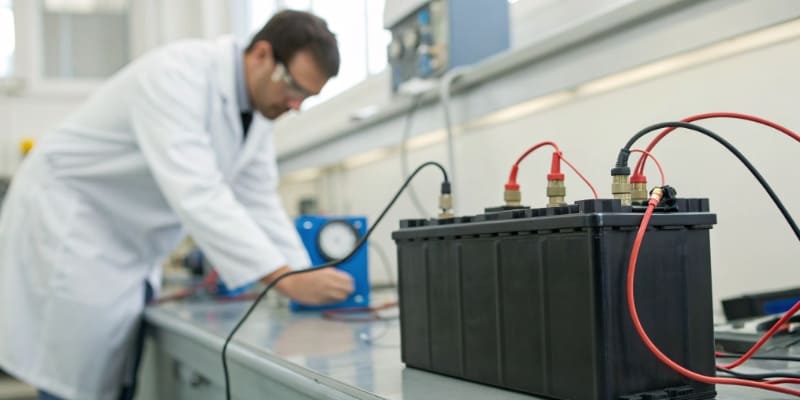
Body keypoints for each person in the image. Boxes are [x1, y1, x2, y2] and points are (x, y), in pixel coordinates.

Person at [0, 9, 355, 400]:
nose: (295, 106)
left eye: (307, 97)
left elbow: (259, 201)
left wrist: (304, 276)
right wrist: (283, 278)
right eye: (293, 88)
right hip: (70, 224)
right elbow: (198, 193)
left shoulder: (255, 116)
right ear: (261, 55)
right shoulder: (176, 75)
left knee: (110, 379)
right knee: (73, 382)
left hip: (122, 245)